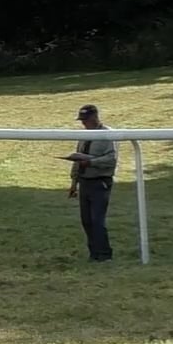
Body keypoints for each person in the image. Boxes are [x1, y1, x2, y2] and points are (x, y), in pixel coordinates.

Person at [63, 103, 117, 262]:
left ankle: (105, 255)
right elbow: (77, 159)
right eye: (82, 120)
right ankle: (94, 253)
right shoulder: (83, 136)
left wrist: (92, 162)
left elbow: (111, 159)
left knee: (97, 220)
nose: (83, 123)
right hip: (84, 182)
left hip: (100, 182)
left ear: (95, 117)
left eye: (85, 119)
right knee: (86, 220)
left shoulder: (108, 135)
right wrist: (74, 183)